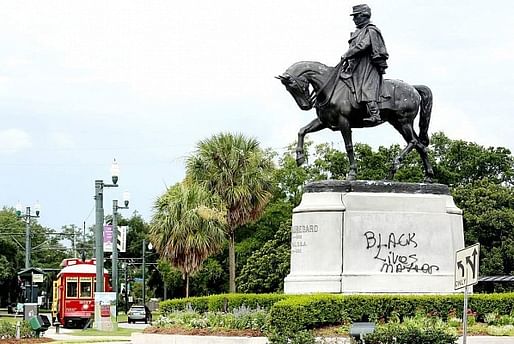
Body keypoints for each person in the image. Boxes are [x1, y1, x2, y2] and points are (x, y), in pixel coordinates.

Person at [341, 4, 389, 124]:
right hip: (356, 66)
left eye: (356, 16)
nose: (354, 19)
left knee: (367, 87)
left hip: (368, 65)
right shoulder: (358, 31)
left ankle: (375, 114)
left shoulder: (371, 30)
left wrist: (347, 54)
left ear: (364, 15)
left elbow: (363, 45)